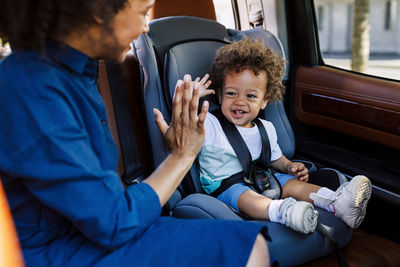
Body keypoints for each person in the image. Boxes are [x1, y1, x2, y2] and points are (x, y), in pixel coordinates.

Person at [0, 1, 271, 266]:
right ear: (99, 9)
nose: (144, 27)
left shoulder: (77, 74)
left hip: (90, 232)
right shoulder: (35, 89)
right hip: (56, 250)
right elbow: (114, 221)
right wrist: (182, 155)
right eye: (142, 12)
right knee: (244, 248)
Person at [196, 39, 372, 234]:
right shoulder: (209, 123)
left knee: (290, 183)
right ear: (219, 95)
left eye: (251, 96)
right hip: (226, 187)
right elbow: (177, 138)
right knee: (244, 195)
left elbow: (275, 159)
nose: (240, 102)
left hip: (262, 178)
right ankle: (286, 212)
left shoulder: (266, 128)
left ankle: (337, 202)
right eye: (231, 93)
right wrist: (190, 102)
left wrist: (289, 166)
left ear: (265, 101)